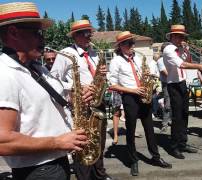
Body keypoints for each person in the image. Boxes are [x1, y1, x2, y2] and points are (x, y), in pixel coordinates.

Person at [0, 2, 88, 180]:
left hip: (56, 162)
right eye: (37, 33)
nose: (43, 39)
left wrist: (75, 96)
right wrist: (57, 142)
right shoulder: (5, 74)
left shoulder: (36, 67)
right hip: (38, 171)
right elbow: (2, 140)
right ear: (13, 33)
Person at [50, 20, 113, 180]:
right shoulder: (65, 54)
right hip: (81, 105)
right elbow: (53, 80)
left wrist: (103, 76)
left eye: (90, 32)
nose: (89, 36)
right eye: (85, 33)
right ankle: (83, 176)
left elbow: (99, 78)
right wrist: (76, 87)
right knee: (83, 144)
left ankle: (100, 174)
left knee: (98, 141)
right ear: (75, 36)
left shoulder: (94, 53)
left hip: (98, 103)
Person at [109, 31, 172, 176]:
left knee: (149, 129)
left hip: (144, 96)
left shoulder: (138, 58)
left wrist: (150, 77)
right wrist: (133, 90)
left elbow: (144, 73)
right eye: (129, 43)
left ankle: (156, 157)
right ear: (121, 46)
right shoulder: (116, 61)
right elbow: (112, 85)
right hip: (130, 98)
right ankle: (133, 161)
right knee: (130, 131)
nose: (132, 45)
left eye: (133, 43)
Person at [162, 24, 202, 159]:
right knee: (177, 117)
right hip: (173, 85)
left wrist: (187, 51)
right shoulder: (169, 49)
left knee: (185, 115)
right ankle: (174, 146)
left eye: (183, 36)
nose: (182, 39)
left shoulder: (180, 49)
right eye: (180, 36)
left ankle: (183, 143)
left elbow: (188, 61)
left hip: (182, 83)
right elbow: (182, 64)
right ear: (172, 36)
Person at [156, 42, 172, 132]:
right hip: (167, 84)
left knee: (175, 104)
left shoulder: (172, 58)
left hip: (174, 83)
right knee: (167, 104)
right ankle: (164, 123)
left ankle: (172, 120)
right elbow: (165, 73)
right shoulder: (160, 60)